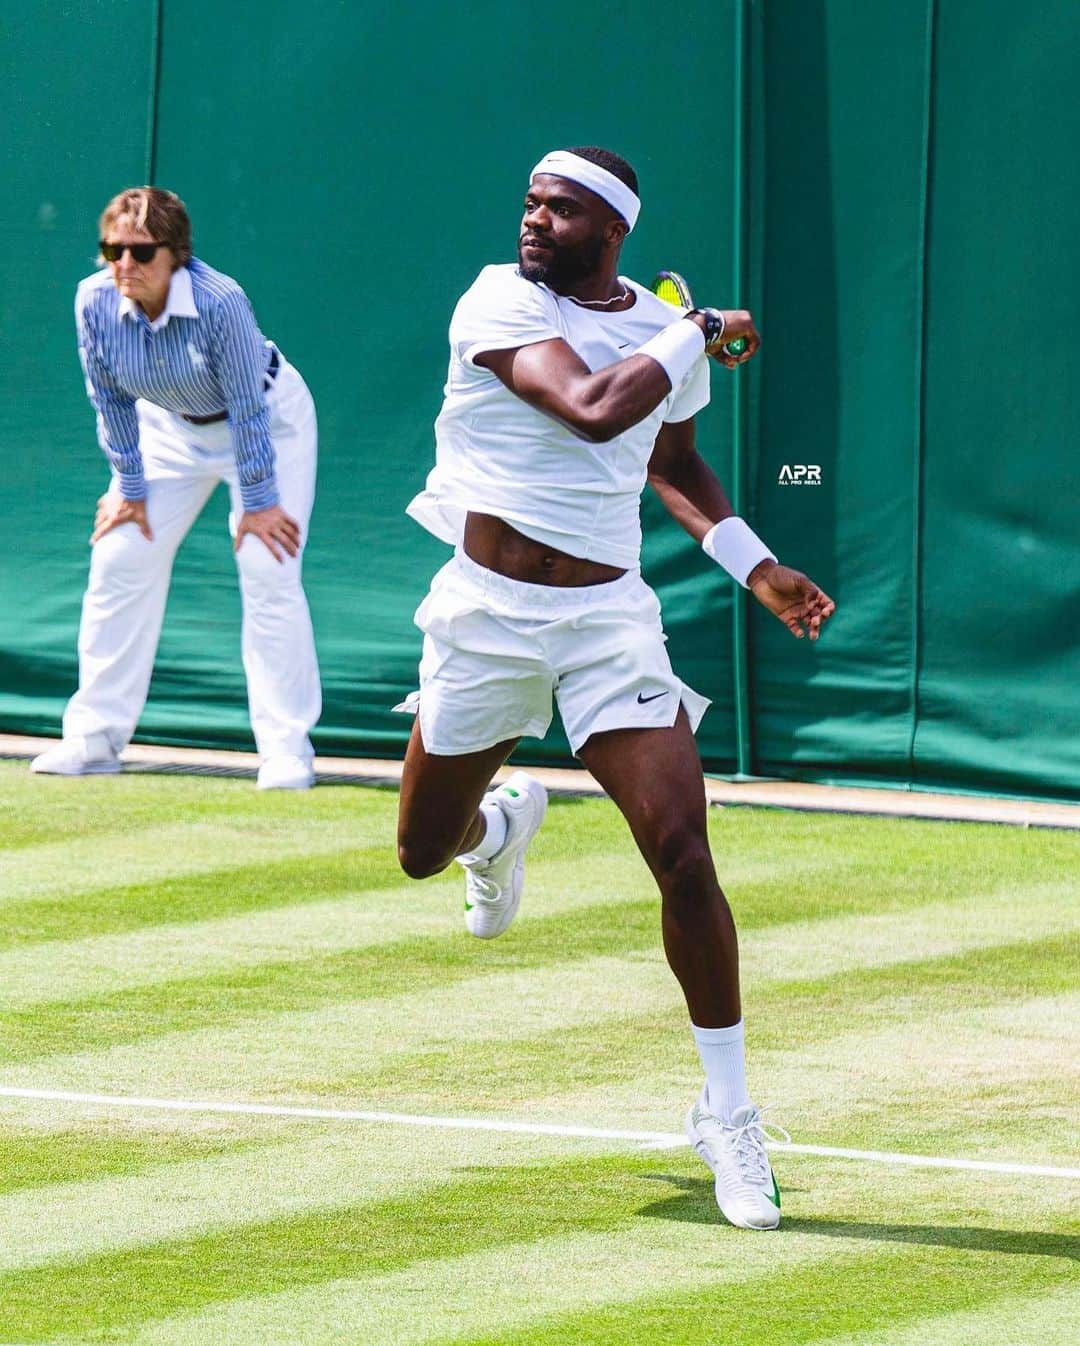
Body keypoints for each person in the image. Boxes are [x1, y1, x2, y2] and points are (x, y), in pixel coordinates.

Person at [395, 147, 835, 1229]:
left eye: (561, 209)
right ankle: (494, 833)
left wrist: (755, 562)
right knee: (419, 848)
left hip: (607, 625)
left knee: (684, 853)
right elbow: (591, 407)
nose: (534, 220)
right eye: (530, 200)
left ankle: (727, 1108)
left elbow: (667, 460)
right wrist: (693, 326)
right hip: (487, 616)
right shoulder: (498, 300)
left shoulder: (659, 332)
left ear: (613, 230)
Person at [31, 187, 321, 790]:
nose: (124, 266)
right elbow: (107, 397)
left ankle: (286, 751)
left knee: (267, 566)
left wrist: (261, 503)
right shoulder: (92, 301)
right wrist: (128, 486)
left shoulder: (221, 301)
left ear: (177, 254)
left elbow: (246, 406)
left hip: (269, 421)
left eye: (141, 252)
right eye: (112, 250)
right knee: (119, 555)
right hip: (169, 431)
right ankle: (93, 739)